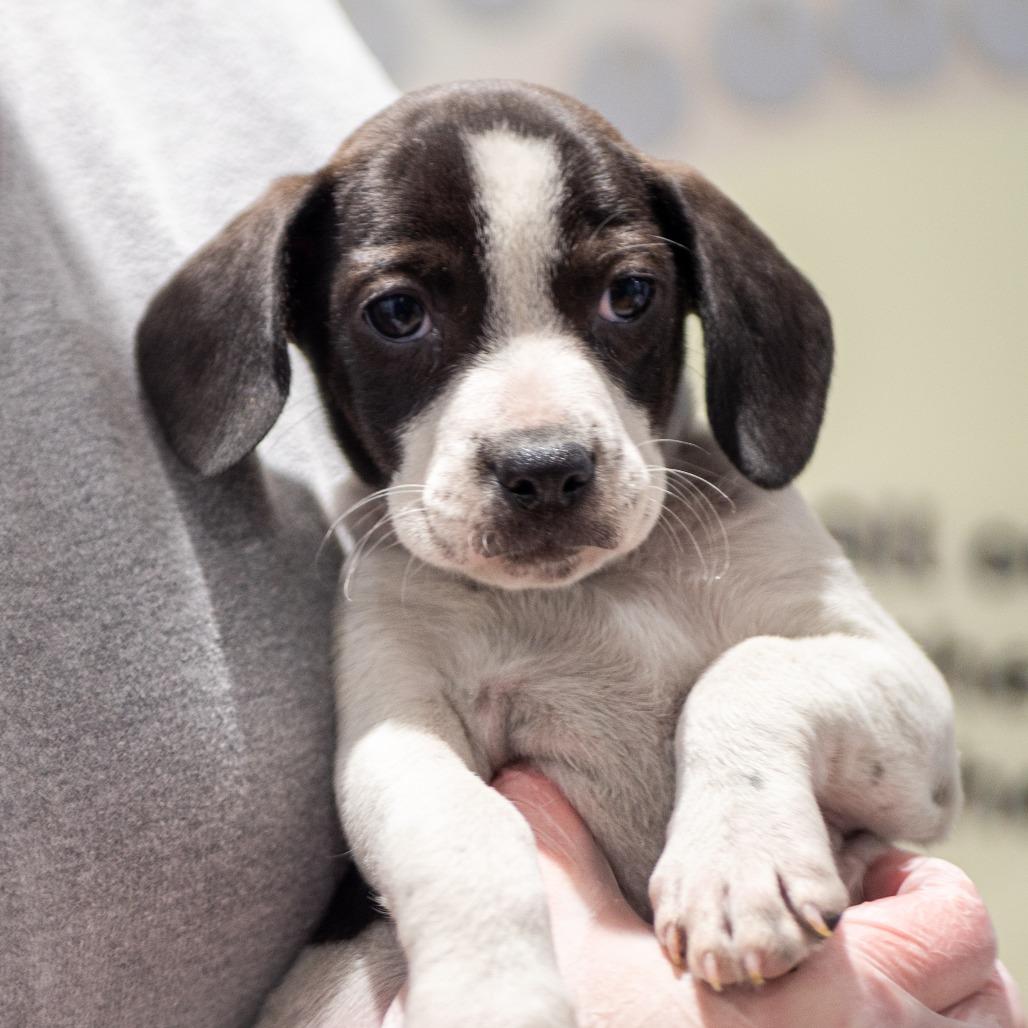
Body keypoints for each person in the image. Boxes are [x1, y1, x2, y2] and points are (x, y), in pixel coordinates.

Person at [0, 1, 1020, 1026]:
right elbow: (399, 756)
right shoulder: (397, 568)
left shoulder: (738, 518)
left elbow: (917, 757)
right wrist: (478, 947)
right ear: (292, 319)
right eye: (399, 312)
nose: (541, 444)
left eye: (624, 294)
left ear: (703, 298)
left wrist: (752, 718)